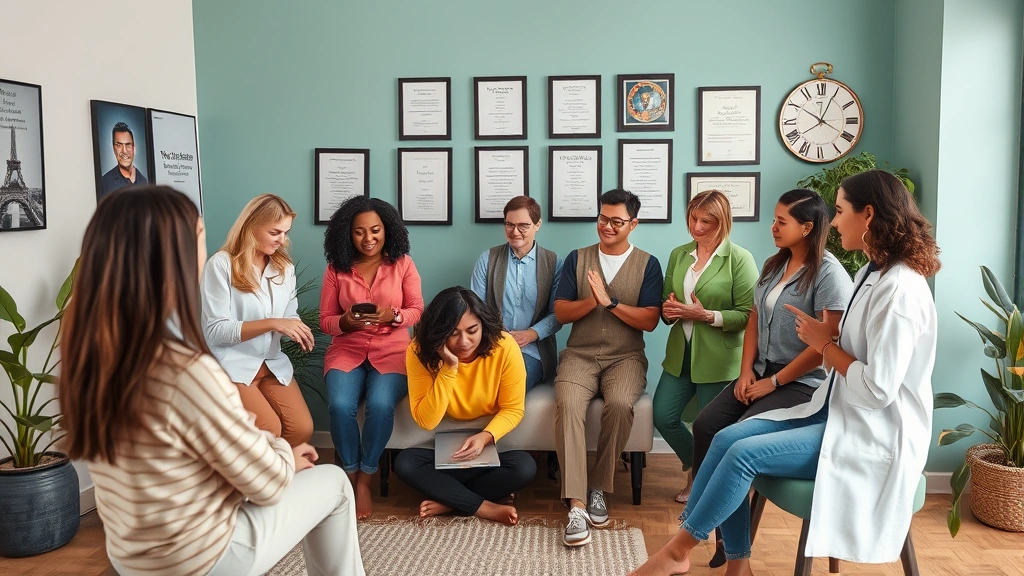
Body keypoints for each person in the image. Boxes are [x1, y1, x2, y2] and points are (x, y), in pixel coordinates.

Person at [630, 169, 940, 576]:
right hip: (835, 410)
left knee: (741, 454)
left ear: (869, 216)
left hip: (871, 432)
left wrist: (822, 345)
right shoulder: (872, 273)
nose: (836, 220)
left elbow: (877, 390)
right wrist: (818, 346)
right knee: (724, 436)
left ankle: (678, 551)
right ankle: (737, 565)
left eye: (841, 210)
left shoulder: (898, 290)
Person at [58, 186, 364, 576]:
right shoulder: (187, 370)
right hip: (200, 558)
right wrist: (286, 457)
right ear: (176, 257)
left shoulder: (87, 360)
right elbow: (266, 484)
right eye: (199, 238)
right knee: (335, 481)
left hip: (131, 556)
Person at [693, 189, 853, 566]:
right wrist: (746, 371)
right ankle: (719, 537)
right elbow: (753, 319)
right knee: (705, 426)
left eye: (782, 221)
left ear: (807, 227)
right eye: (775, 219)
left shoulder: (829, 274)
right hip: (759, 372)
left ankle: (736, 555)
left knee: (734, 443)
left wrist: (776, 382)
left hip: (800, 386)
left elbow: (823, 343)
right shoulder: (773, 264)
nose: (773, 227)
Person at [553, 189, 663, 547]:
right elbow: (561, 313)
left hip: (626, 357)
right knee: (568, 404)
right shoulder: (577, 258)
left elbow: (649, 320)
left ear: (634, 223)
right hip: (579, 354)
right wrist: (592, 300)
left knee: (619, 404)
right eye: (603, 218)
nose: (608, 226)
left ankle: (598, 486)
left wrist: (612, 303)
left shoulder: (648, 263)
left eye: (617, 221)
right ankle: (577, 504)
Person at [394, 287, 537, 526]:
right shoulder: (419, 350)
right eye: (453, 333)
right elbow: (426, 419)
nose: (464, 342)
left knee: (524, 467)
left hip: (487, 450)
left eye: (472, 331)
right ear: (438, 333)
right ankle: (484, 506)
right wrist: (449, 368)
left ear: (483, 325)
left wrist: (485, 437)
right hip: (444, 452)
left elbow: (513, 408)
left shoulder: (504, 346)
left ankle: (450, 501)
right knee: (406, 463)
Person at [320, 195, 424, 521]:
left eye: (375, 230)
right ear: (346, 234)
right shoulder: (336, 269)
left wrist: (392, 317)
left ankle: (365, 478)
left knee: (380, 405)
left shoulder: (403, 264)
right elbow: (325, 320)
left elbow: (417, 310)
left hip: (391, 350)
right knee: (339, 405)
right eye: (359, 232)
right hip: (346, 351)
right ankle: (349, 475)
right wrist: (345, 323)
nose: (368, 239)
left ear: (387, 230)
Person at [652, 190, 758, 505]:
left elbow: (747, 315)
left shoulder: (739, 259)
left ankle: (705, 484)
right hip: (680, 356)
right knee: (663, 415)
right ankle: (699, 469)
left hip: (718, 360)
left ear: (722, 222)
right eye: (693, 219)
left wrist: (706, 315)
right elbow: (666, 303)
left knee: (708, 428)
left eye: (706, 221)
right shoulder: (678, 254)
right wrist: (667, 311)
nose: (697, 227)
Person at [200, 194, 315, 447]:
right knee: (268, 431)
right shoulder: (221, 265)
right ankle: (255, 482)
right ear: (251, 225)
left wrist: (296, 329)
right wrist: (274, 323)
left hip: (272, 362)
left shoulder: (284, 267)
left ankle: (275, 479)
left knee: (302, 429)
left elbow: (289, 314)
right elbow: (215, 331)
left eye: (285, 233)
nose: (282, 240)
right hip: (232, 366)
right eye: (275, 232)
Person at [470, 195, 562, 392]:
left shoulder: (554, 263)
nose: (514, 232)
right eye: (509, 225)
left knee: (509, 384)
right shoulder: (487, 260)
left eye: (523, 225)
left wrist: (530, 334)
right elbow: (475, 310)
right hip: (491, 345)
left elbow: (558, 314)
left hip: (534, 350)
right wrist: (498, 338)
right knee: (478, 386)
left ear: (538, 225)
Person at [99, 122, 148, 196]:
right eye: (119, 145)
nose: (124, 151)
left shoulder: (144, 181)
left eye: (128, 145)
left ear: (133, 148)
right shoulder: (105, 182)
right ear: (113, 148)